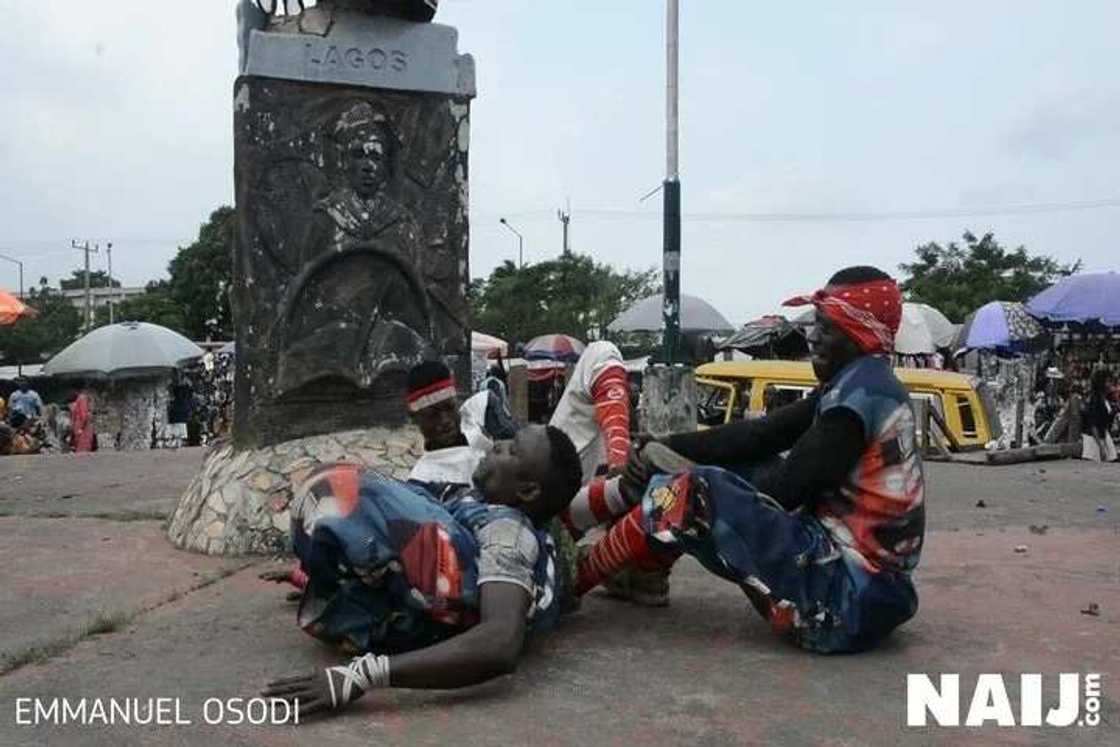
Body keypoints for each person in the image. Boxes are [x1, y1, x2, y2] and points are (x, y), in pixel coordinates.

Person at [577, 266, 925, 654]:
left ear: (858, 336)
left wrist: (686, 476)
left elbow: (785, 491)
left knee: (692, 494)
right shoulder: (862, 385)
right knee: (730, 471)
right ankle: (643, 573)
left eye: (825, 328)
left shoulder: (855, 404)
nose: (812, 337)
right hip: (864, 591)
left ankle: (578, 579)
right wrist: (669, 443)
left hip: (839, 604)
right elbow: (762, 435)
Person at [261, 424, 584, 719]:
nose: (497, 444)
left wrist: (362, 675)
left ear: (527, 491)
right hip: (428, 604)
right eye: (508, 439)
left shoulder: (509, 532)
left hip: (447, 621)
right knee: (399, 495)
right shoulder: (475, 501)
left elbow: (500, 641)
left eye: (512, 450)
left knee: (368, 498)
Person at [405, 360, 487, 496]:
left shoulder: (481, 436)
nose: (445, 420)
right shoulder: (423, 482)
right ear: (415, 418)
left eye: (450, 408)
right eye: (432, 415)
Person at [1083, 368, 1117, 462]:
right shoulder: (1095, 399)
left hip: (1103, 435)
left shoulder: (1104, 398)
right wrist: (1101, 445)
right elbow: (1093, 424)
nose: (1110, 384)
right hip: (1094, 440)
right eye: (1108, 381)